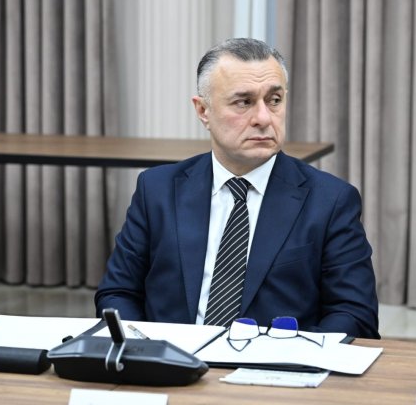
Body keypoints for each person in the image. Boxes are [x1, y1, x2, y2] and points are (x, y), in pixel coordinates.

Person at [95, 38, 380, 339]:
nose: (263, 118)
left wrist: (289, 357)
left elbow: (355, 315)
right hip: (171, 359)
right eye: (243, 102)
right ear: (203, 111)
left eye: (274, 100)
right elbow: (118, 293)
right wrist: (145, 351)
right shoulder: (157, 189)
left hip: (275, 364)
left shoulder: (330, 201)